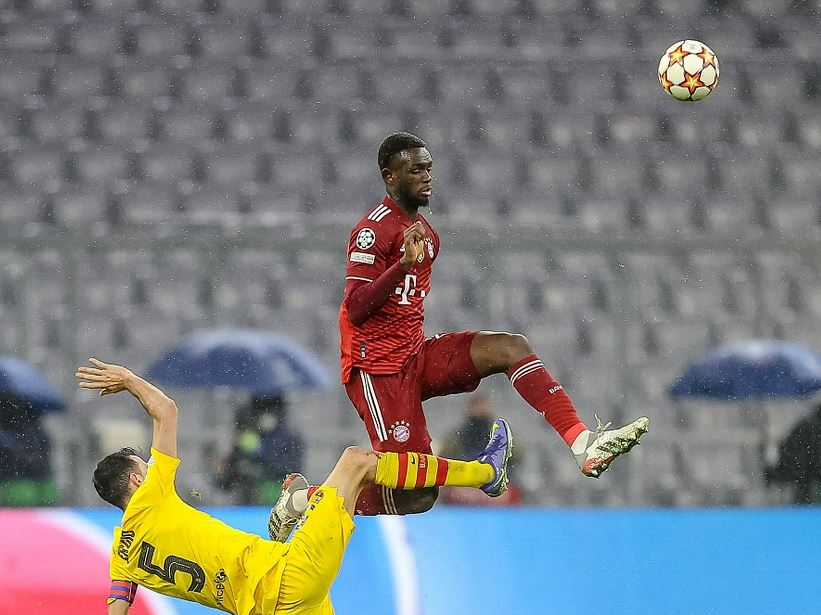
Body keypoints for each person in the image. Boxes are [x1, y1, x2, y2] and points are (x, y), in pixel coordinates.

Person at [75, 357, 512, 615]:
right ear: (136, 481)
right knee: (356, 461)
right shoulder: (152, 496)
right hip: (287, 577)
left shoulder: (121, 559)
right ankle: (484, 473)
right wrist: (129, 379)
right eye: (145, 466)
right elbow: (166, 409)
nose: (152, 467)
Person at [337, 131, 649, 516]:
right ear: (389, 176)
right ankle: (309, 501)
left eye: (428, 168)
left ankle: (582, 442)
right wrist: (401, 267)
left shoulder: (429, 237)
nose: (426, 176)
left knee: (510, 347)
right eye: (415, 170)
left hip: (414, 355)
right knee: (417, 495)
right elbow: (356, 307)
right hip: (377, 369)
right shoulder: (372, 230)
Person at [214, 394, 305, 506]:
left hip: (275, 499)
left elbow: (289, 469)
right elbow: (227, 482)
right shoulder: (248, 436)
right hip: (246, 503)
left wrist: (259, 454)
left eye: (269, 411)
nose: (264, 417)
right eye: (260, 412)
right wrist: (223, 471)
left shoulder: (288, 438)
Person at [437, 394, 524, 506]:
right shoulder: (458, 436)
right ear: (469, 409)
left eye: (482, 406)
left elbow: (517, 457)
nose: (479, 410)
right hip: (465, 487)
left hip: (494, 485)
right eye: (476, 406)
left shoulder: (499, 433)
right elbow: (445, 457)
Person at [765, 402, 821, 504]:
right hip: (801, 480)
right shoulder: (811, 432)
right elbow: (801, 463)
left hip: (807, 478)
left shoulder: (820, 432)